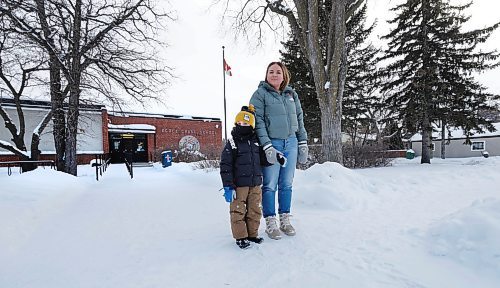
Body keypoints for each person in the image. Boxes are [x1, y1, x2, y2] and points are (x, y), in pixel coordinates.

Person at [249, 61, 308, 240]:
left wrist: (303, 141)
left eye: (278, 72)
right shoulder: (259, 94)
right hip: (272, 144)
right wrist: (267, 145)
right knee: (269, 185)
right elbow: (257, 121)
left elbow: (299, 118)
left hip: (291, 143)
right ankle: (270, 221)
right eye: (271, 72)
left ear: (284, 75)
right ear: (266, 75)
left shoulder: (291, 94)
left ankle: (285, 219)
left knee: (287, 184)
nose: (274, 75)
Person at [220, 105, 265, 249]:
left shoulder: (256, 142)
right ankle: (240, 237)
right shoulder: (232, 143)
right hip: (239, 185)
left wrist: (276, 158)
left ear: (251, 125)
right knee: (238, 210)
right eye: (239, 123)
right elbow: (225, 165)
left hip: (255, 184)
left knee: (255, 210)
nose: (242, 126)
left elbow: (264, 160)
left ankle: (252, 234)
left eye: (245, 124)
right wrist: (228, 186)